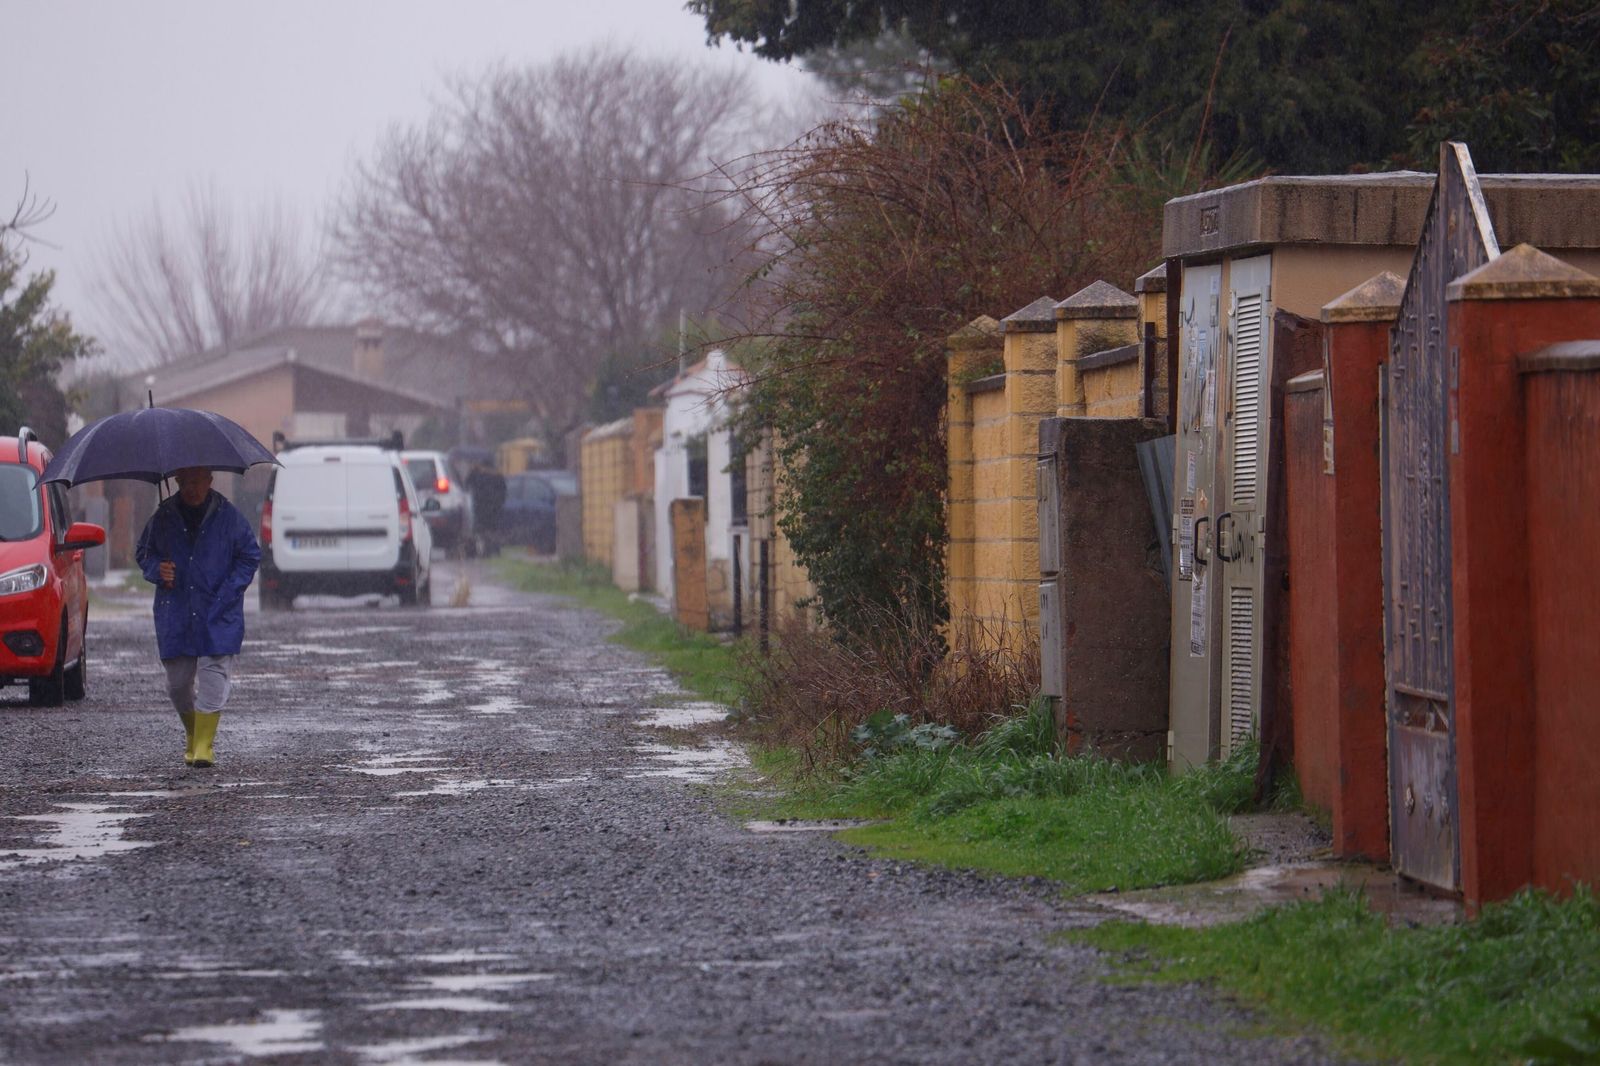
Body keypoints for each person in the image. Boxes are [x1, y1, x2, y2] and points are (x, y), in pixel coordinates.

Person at [134, 467, 261, 768]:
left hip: (218, 610)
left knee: (214, 673)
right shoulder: (164, 516)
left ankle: (204, 745)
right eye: (185, 482)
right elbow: (144, 553)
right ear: (177, 482)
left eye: (197, 481)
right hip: (176, 611)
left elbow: (250, 555)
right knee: (178, 683)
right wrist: (157, 569)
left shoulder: (228, 517)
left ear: (209, 481)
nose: (192, 488)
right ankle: (193, 732)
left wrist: (229, 590)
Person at [466, 460, 507, 557]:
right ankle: (494, 550)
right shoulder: (498, 476)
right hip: (494, 507)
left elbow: (468, 484)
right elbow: (503, 492)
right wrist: (499, 503)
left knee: (482, 530)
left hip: (481, 506)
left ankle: (485, 550)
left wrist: (473, 470)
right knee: (493, 530)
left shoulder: (479, 475)